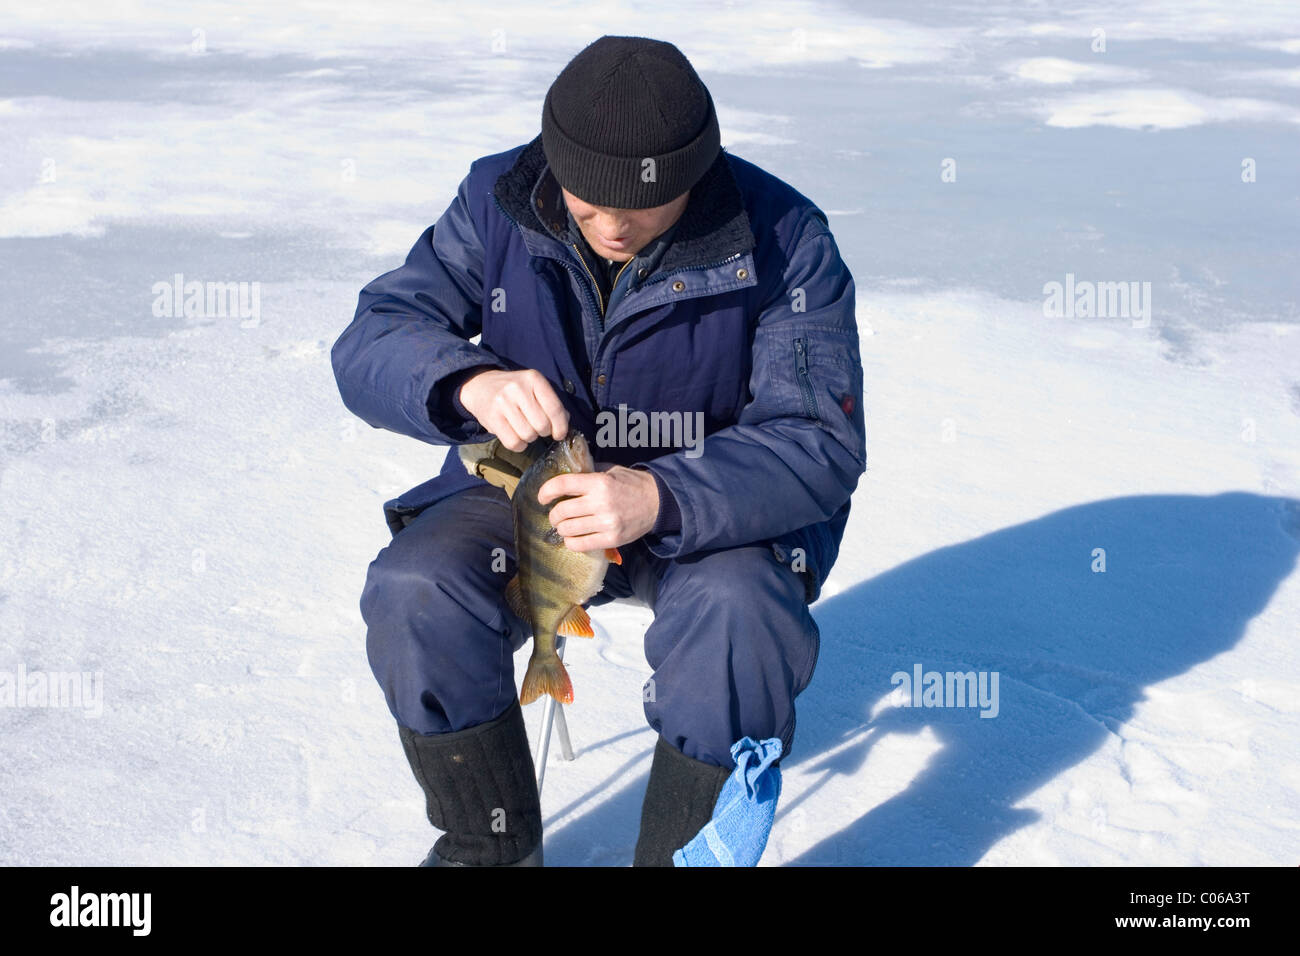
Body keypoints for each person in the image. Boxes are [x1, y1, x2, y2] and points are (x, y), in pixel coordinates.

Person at [331, 34, 866, 867]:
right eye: (587, 202)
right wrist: (466, 382)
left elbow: (819, 441)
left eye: (642, 206)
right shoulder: (498, 199)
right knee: (415, 589)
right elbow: (374, 338)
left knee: (739, 621)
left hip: (708, 513)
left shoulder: (786, 238)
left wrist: (662, 496)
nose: (613, 226)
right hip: (532, 494)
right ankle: (488, 849)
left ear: (694, 170)